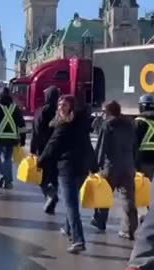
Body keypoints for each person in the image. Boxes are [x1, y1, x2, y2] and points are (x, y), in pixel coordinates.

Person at [38, 95, 97, 254]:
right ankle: (67, 228)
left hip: (67, 170)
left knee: (71, 205)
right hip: (81, 169)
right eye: (60, 105)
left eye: (65, 105)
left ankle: (78, 240)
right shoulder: (80, 124)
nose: (61, 108)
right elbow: (88, 146)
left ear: (71, 108)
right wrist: (93, 167)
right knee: (72, 201)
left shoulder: (63, 126)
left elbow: (52, 146)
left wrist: (39, 162)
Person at [91, 101, 137, 240]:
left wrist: (95, 166)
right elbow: (134, 144)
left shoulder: (108, 125)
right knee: (128, 199)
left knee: (103, 194)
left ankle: (100, 222)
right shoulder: (130, 124)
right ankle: (130, 229)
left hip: (110, 166)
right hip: (128, 166)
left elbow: (101, 146)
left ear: (109, 112)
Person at [0, 87, 26, 189]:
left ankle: (6, 178)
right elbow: (21, 125)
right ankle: (7, 179)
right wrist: (23, 138)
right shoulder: (15, 108)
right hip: (12, 139)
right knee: (7, 159)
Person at [30, 86, 60, 215]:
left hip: (43, 149)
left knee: (42, 178)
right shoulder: (61, 111)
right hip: (59, 150)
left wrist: (32, 149)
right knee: (54, 177)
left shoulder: (40, 112)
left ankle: (50, 195)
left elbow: (35, 132)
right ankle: (51, 203)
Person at [135, 94, 154, 179]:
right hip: (151, 161)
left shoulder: (139, 122)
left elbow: (132, 143)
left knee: (141, 188)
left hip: (143, 160)